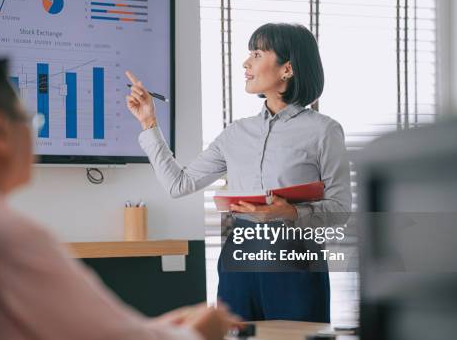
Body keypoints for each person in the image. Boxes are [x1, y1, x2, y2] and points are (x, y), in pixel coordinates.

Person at [0, 50, 240, 340]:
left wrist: (154, 332)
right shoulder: (9, 235)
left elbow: (91, 337)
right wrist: (201, 334)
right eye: (28, 118)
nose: (33, 133)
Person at [126, 23, 352, 322]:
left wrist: (291, 214)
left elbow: (340, 210)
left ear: (287, 68)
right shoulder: (236, 133)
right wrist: (149, 124)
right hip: (238, 264)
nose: (246, 63)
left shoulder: (324, 131)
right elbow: (178, 184)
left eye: (257, 54)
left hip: (294, 266)